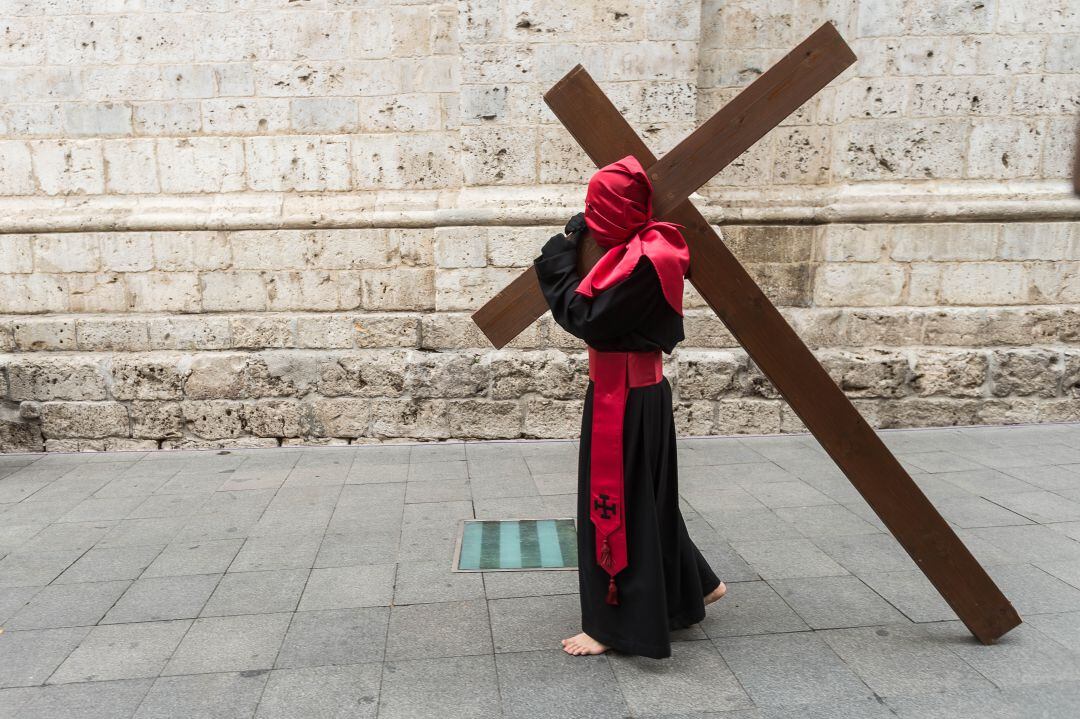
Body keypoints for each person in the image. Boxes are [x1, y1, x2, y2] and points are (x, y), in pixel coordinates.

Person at [533, 155, 727, 660]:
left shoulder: (647, 261)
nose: (588, 220)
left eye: (595, 210)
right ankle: (694, 585)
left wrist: (559, 251)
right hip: (639, 396)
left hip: (622, 401)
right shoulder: (646, 249)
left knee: (614, 509)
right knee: (649, 497)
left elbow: (586, 317)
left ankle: (616, 624)